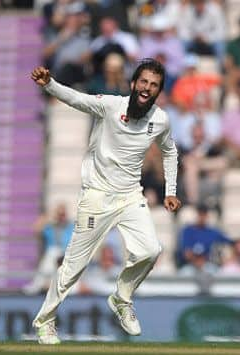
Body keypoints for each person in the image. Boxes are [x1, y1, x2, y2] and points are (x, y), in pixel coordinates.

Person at [29, 59, 181, 344]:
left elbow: (170, 152)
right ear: (133, 83)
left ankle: (122, 297)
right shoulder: (111, 106)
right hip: (97, 196)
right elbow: (77, 99)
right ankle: (45, 321)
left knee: (151, 249)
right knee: (74, 266)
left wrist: (170, 191)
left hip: (130, 196)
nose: (147, 88)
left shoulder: (160, 119)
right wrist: (49, 84)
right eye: (144, 82)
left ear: (159, 91)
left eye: (154, 85)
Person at [22, 203, 75, 295]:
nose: (61, 217)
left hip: (66, 253)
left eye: (63, 214)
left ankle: (71, 289)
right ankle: (37, 285)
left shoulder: (71, 226)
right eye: (59, 214)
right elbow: (35, 229)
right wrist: (50, 215)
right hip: (52, 254)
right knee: (50, 257)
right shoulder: (50, 227)